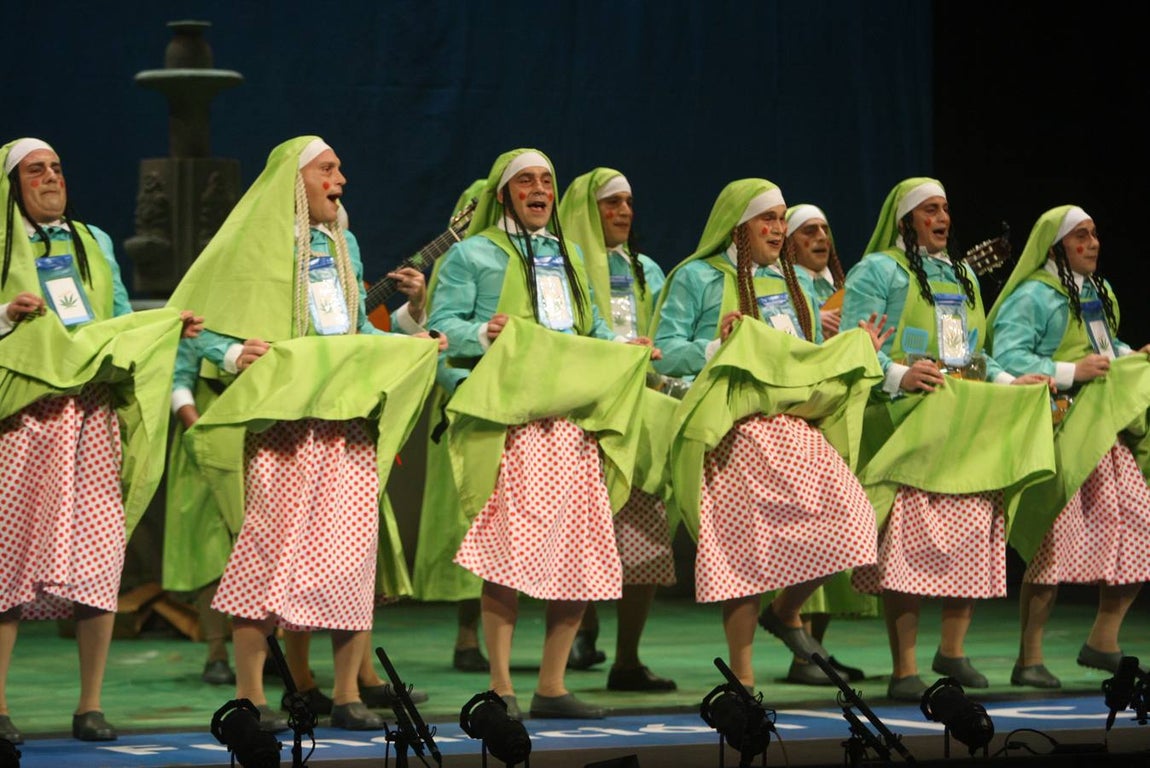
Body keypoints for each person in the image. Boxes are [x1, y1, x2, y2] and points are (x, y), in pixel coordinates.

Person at [166, 136, 441, 732]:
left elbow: (350, 331)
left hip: (345, 426)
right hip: (284, 431)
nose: (340, 177)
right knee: (266, 561)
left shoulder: (344, 244)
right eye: (328, 168)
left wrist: (408, 344)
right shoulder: (254, 245)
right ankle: (250, 698)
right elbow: (190, 324)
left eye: (340, 168)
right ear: (296, 179)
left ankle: (346, 697)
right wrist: (235, 351)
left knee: (348, 561)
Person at [426, 148, 655, 719]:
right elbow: (441, 327)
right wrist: (483, 329)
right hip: (514, 424)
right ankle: (500, 686)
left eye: (546, 181)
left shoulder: (569, 254)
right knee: (508, 559)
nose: (539, 189)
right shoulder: (472, 255)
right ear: (503, 193)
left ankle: (551, 685)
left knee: (580, 556)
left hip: (573, 424)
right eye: (525, 181)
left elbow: (591, 324)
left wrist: (619, 346)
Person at [650, 178, 887, 694]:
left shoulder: (788, 281)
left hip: (792, 426)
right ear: (739, 227)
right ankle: (743, 674)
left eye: (782, 219)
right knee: (743, 553)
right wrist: (717, 345)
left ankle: (784, 612)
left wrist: (854, 345)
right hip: (732, 431)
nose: (779, 230)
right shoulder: (697, 277)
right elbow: (666, 349)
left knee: (854, 522)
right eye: (768, 219)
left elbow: (800, 354)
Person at [0, 137, 194, 743]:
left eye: (57, 167)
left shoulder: (93, 240)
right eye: (37, 170)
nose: (52, 177)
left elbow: (112, 320)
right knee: (6, 560)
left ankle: (89, 705)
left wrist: (162, 328)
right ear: (11, 185)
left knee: (97, 559)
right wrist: (6, 312)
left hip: (90, 414)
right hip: (25, 416)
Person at [840, 177, 1056, 700]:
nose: (942, 218)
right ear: (907, 220)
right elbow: (853, 342)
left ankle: (953, 652)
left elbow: (975, 351)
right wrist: (897, 374)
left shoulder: (960, 274)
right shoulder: (879, 271)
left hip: (963, 424)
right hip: (906, 423)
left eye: (945, 209)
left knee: (969, 539)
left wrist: (1008, 380)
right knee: (908, 551)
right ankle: (905, 668)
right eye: (930, 209)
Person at [987, 205, 1150, 687]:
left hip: (1105, 432)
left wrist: (1128, 356)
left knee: (1139, 531)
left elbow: (1104, 345)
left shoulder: (1099, 291)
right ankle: (1029, 658)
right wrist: (1069, 373)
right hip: (1060, 429)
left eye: (1095, 234)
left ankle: (1103, 640)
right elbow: (1009, 355)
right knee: (1051, 543)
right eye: (1081, 236)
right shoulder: (1033, 295)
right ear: (1056, 246)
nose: (1093, 243)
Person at [558, 167, 676, 691]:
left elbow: (665, 338)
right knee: (582, 533)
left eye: (628, 202)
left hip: (641, 409)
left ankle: (627, 659)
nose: (624, 211)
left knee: (645, 531)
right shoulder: (562, 266)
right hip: (586, 412)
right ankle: (574, 637)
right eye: (611, 203)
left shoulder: (646, 268)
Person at [770, 203, 876, 685]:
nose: (821, 237)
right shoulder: (780, 288)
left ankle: (816, 648)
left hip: (831, 411)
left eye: (826, 229)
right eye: (808, 230)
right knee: (809, 529)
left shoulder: (837, 291)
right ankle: (800, 652)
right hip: (794, 416)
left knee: (836, 533)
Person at [411, 178, 490, 675]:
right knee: (468, 522)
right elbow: (435, 338)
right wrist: (461, 386)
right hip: (463, 408)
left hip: (514, 405)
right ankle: (467, 635)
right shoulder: (456, 264)